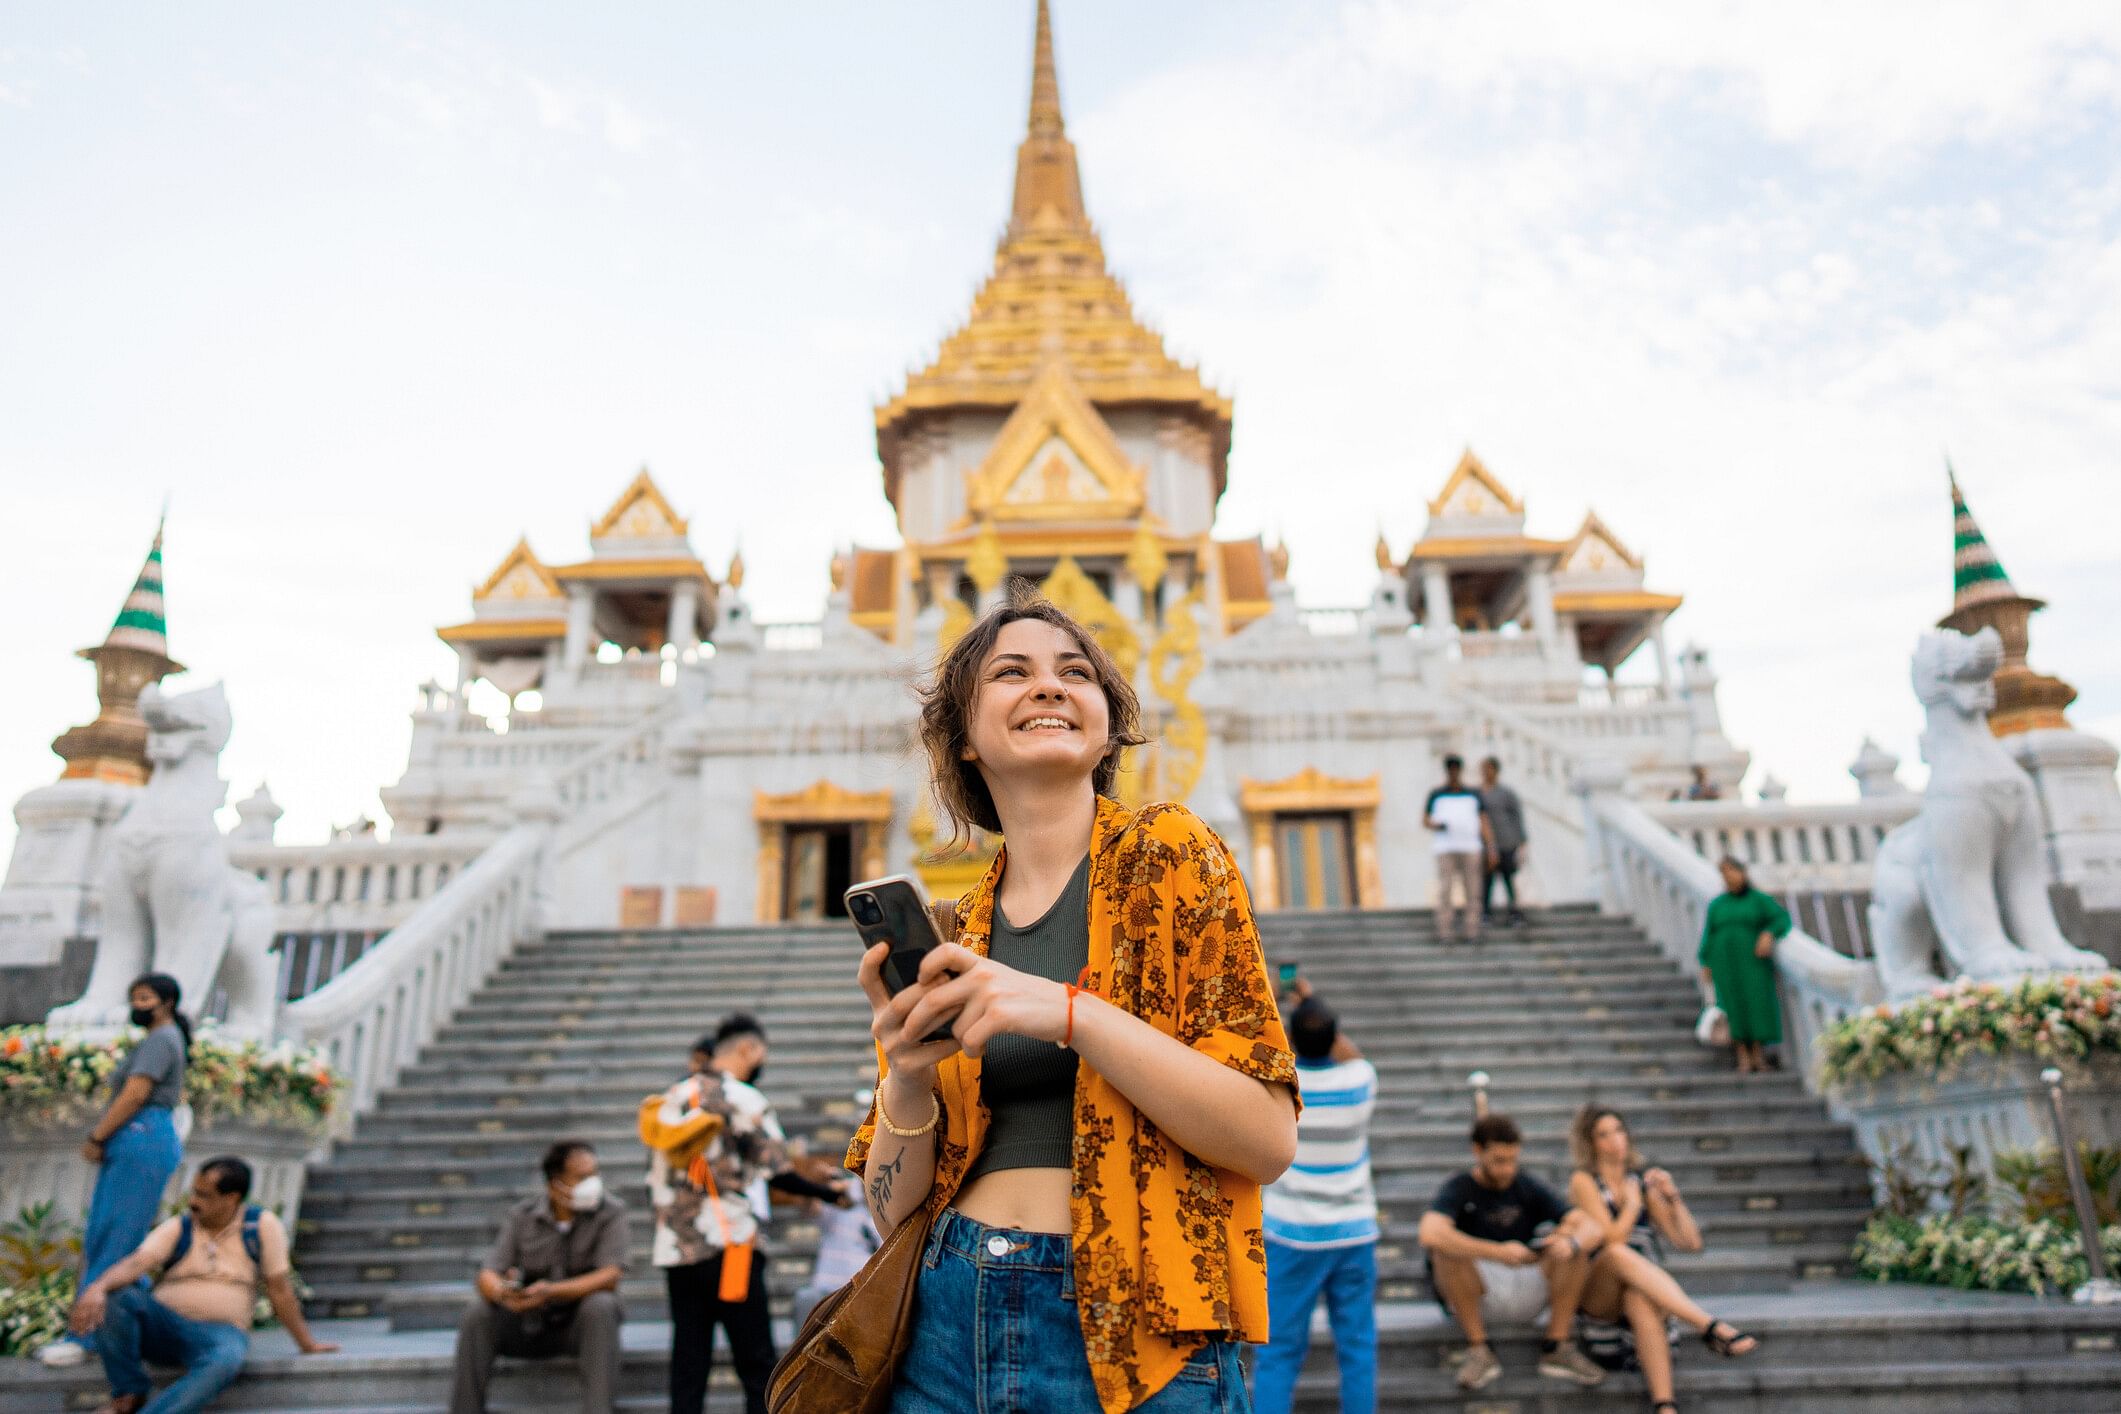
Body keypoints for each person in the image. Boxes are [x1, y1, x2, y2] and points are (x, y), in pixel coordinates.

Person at [847, 582, 1299, 1414]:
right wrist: (906, 1076)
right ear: (967, 739)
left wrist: (1067, 1013)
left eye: (1075, 673)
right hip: (948, 1319)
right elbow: (892, 1213)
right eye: (1011, 672)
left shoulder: (1171, 855)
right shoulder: (957, 933)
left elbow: (1266, 1141)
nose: (1049, 686)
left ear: (1105, 728)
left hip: (1140, 1323)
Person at [651, 1014, 843, 1414]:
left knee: (689, 1361)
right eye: (761, 1054)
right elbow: (780, 1173)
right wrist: (829, 1193)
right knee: (755, 1361)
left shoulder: (671, 1098)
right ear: (747, 1049)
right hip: (731, 1246)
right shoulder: (744, 1098)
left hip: (676, 1248)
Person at [68, 1156, 337, 1414]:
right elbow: (137, 1263)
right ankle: (129, 1392)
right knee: (117, 1297)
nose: (193, 1202)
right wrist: (97, 1288)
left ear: (231, 1199)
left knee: (226, 1359)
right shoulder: (180, 1226)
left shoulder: (261, 1226)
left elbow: (280, 1290)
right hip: (165, 1327)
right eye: (194, 1192)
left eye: (204, 1195)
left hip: (221, 1333)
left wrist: (306, 1343)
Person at [42, 974, 193, 1369]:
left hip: (141, 1135)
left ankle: (88, 1336)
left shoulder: (162, 1039)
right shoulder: (162, 1038)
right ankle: (124, 1332)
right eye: (134, 998)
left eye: (145, 998)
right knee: (108, 1234)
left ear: (167, 1002)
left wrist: (97, 1136)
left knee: (116, 1238)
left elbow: (136, 1093)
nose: (137, 1005)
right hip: (140, 1138)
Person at [1566, 1106, 1758, 1414]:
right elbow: (1610, 1241)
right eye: (1604, 1134)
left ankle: (1665, 1406)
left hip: (1643, 1290)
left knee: (1640, 1296)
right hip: (1600, 1291)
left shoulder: (1641, 1183)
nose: (1615, 1140)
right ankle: (1707, 1325)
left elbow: (1690, 1243)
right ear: (1591, 1143)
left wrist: (1673, 1198)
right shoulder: (1584, 1181)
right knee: (1617, 1254)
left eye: (1619, 1130)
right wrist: (1630, 1206)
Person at [1253, 983, 1378, 1414]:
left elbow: (1279, 1050)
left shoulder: (1283, 1085)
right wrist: (1312, 1009)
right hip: (1354, 1234)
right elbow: (1352, 1054)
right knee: (1358, 1350)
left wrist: (1294, 1019)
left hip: (1291, 1235)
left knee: (1278, 1352)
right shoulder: (1361, 1082)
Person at [1416, 1114, 1606, 1392]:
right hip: (1477, 1291)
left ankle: (1557, 1346)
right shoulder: (1459, 1187)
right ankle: (1479, 1349)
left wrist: (1568, 1240)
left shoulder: (1527, 1185)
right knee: (1445, 1249)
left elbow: (1591, 1227)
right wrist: (1496, 1252)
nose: (1507, 1169)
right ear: (1478, 1152)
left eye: (1512, 1159)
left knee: (1574, 1247)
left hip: (1527, 1283)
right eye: (1499, 1161)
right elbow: (1429, 1232)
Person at [451, 1140, 627, 1414]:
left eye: (595, 1174)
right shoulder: (523, 1216)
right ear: (555, 1184)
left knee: (602, 1306)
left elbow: (610, 1275)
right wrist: (505, 1293)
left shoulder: (610, 1212)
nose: (592, 1183)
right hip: (528, 1320)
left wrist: (552, 1291)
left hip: (578, 1325)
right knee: (477, 1313)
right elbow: (487, 1273)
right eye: (582, 1177)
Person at [1698, 858, 1791, 1074]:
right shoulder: (1718, 905)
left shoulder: (1758, 901)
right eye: (1725, 873)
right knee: (1732, 1006)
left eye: (1732, 871)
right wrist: (1705, 962)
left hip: (1752, 962)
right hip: (1725, 964)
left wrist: (1768, 933)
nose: (1729, 877)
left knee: (1756, 1004)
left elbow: (1780, 919)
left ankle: (1758, 1054)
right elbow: (1709, 935)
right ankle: (1743, 1056)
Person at [788, 1164, 881, 1332]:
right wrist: (816, 1180)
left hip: (865, 1295)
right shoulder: (840, 1199)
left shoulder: (887, 1211)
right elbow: (806, 1205)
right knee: (806, 1300)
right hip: (828, 1291)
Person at [1424, 755, 1497, 943]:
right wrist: (1438, 825)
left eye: (1456, 769)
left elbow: (1483, 821)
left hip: (1470, 846)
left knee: (1473, 890)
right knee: (1445, 889)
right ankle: (1444, 930)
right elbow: (1426, 820)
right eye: (1451, 769)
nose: (1454, 772)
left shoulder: (1473, 794)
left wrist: (1490, 847)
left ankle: (1471, 930)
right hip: (1446, 847)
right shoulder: (1437, 794)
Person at [1478, 757, 1527, 929]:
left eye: (1489, 768)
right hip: (1484, 844)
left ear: (1496, 771)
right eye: (1484, 769)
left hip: (1507, 842)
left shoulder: (1506, 793)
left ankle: (1515, 912)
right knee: (1486, 880)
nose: (1486, 772)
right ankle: (1485, 912)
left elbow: (1517, 818)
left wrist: (1522, 842)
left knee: (1508, 878)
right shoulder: (1478, 793)